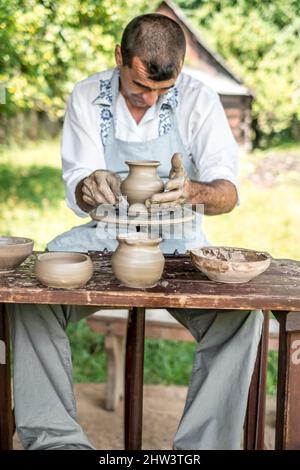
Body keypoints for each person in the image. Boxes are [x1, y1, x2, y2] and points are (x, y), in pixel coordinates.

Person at [8, 13, 263, 450]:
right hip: (105, 240)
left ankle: (203, 449)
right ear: (118, 59)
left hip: (179, 246)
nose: (149, 100)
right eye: (139, 87)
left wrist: (197, 190)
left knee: (240, 317)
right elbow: (79, 185)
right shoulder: (88, 95)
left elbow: (228, 193)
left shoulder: (199, 99)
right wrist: (89, 187)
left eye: (163, 91)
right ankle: (56, 442)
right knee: (33, 300)